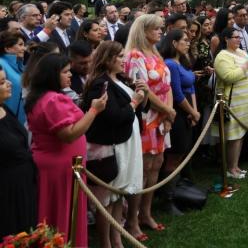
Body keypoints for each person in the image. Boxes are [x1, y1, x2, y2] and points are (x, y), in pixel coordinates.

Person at [26, 53, 108, 246]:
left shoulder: (42, 97)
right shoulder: (53, 100)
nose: (70, 75)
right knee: (62, 214)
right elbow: (69, 134)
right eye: (65, 72)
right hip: (60, 168)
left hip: (58, 165)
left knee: (55, 213)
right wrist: (94, 110)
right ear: (51, 75)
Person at [82, 41, 146, 248]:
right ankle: (106, 243)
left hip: (125, 142)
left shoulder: (117, 79)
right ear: (108, 59)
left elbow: (129, 110)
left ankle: (117, 239)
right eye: (119, 57)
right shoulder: (100, 84)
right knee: (106, 199)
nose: (124, 60)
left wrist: (141, 96)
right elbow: (113, 116)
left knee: (119, 195)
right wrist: (134, 101)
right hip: (110, 147)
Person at [124, 13, 176, 235]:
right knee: (143, 167)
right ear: (143, 31)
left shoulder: (155, 53)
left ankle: (146, 212)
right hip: (147, 116)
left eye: (160, 28)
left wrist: (169, 112)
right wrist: (165, 110)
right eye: (156, 28)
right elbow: (142, 89)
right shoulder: (134, 55)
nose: (160, 32)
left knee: (157, 163)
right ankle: (132, 218)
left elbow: (167, 84)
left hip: (162, 116)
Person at [213, 28, 248, 180]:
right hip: (234, 101)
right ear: (226, 39)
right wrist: (245, 66)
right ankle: (230, 168)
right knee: (234, 136)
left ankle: (235, 165)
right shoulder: (222, 56)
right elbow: (228, 77)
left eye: (239, 37)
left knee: (241, 134)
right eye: (235, 37)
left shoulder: (241, 52)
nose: (238, 40)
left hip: (247, 100)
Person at [160, 28, 200, 201]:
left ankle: (177, 191)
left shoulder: (182, 62)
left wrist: (195, 111)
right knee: (174, 156)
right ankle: (168, 197)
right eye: (184, 40)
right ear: (174, 43)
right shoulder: (170, 64)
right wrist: (192, 111)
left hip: (189, 114)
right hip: (178, 114)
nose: (188, 42)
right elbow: (177, 93)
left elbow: (191, 86)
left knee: (182, 153)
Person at [0, 64, 37, 239]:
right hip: (6, 191)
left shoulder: (4, 109)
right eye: (1, 82)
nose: (9, 84)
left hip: (23, 185)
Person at [1, 31, 27, 123]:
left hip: (20, 119)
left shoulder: (19, 64)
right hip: (6, 120)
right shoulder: (1, 64)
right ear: (7, 48)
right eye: (20, 45)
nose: (24, 48)